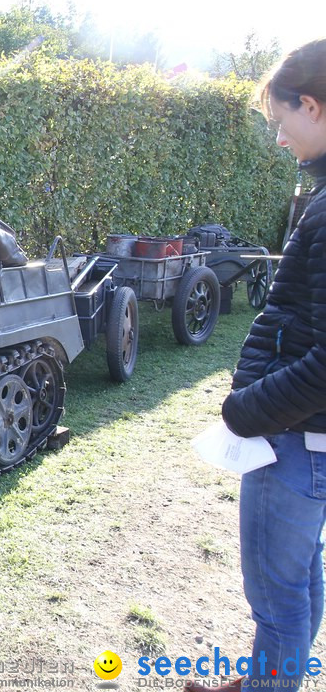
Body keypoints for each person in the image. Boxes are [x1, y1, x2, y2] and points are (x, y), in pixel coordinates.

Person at [191, 38, 326, 692]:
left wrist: (243, 412)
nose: (278, 138)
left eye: (281, 121)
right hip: (308, 438)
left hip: (294, 441)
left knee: (278, 601)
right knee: (298, 585)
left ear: (313, 105)